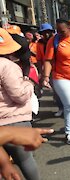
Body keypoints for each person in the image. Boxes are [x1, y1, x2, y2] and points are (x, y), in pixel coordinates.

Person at [0, 27, 40, 179]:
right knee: (25, 160)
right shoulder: (7, 66)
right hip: (14, 120)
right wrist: (28, 84)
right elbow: (20, 96)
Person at [36, 23, 64, 116]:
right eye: (44, 33)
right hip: (50, 70)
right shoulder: (39, 44)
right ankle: (61, 108)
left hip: (61, 68)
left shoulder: (57, 40)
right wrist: (41, 72)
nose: (46, 35)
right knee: (56, 91)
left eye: (48, 32)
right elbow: (39, 59)